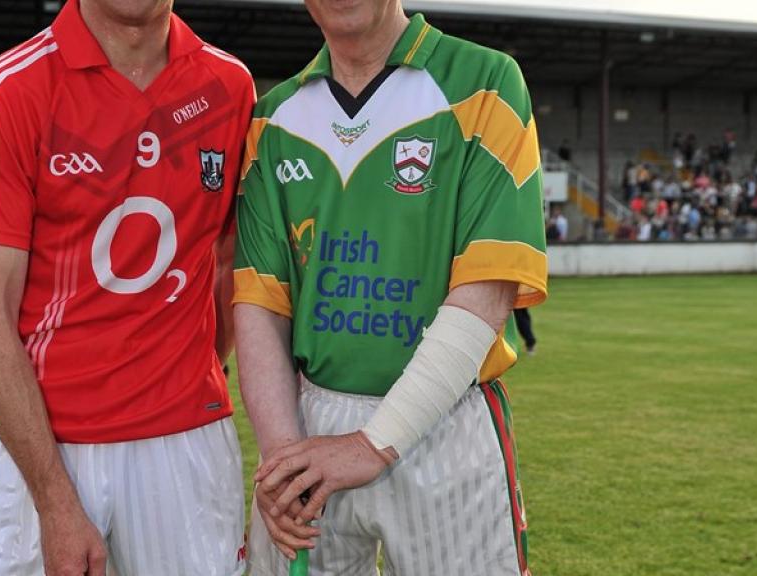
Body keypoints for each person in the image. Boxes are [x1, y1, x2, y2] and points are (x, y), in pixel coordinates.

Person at [0, 1, 255, 575]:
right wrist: (55, 499)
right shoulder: (12, 86)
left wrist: (185, 371)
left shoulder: (229, 85)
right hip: (45, 444)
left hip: (185, 442)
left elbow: (228, 260)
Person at [232, 2, 547, 575]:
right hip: (306, 426)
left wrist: (374, 443)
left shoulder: (486, 84)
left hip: (441, 420)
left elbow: (488, 290)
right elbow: (260, 302)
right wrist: (281, 458)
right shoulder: (273, 117)